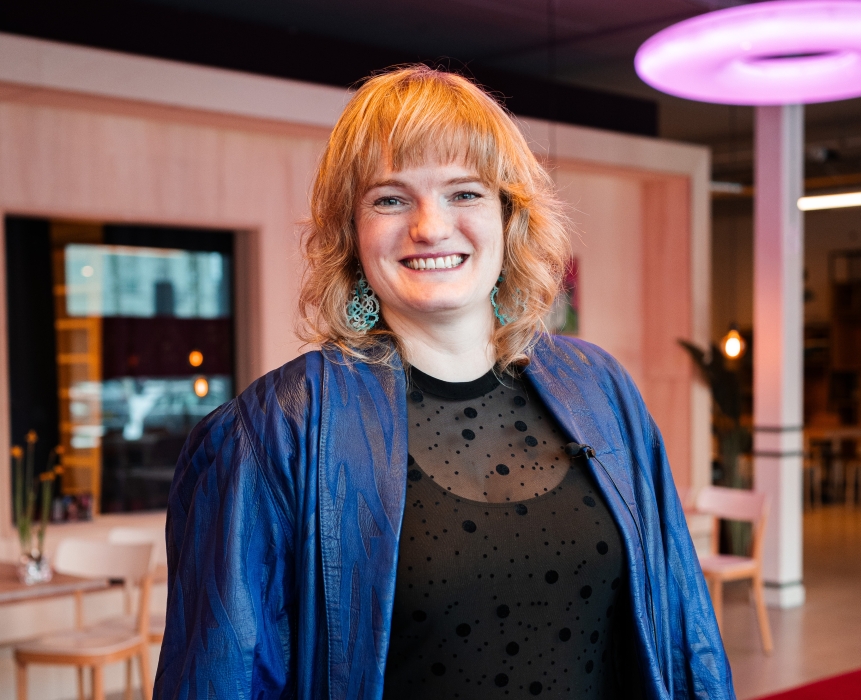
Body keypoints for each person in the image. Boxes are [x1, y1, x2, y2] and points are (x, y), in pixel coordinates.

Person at [155, 66, 734, 700]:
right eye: (390, 199)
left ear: (509, 218)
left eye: (464, 193)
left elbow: (684, 636)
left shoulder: (600, 390)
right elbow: (222, 677)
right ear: (351, 232)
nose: (430, 226)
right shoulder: (276, 430)